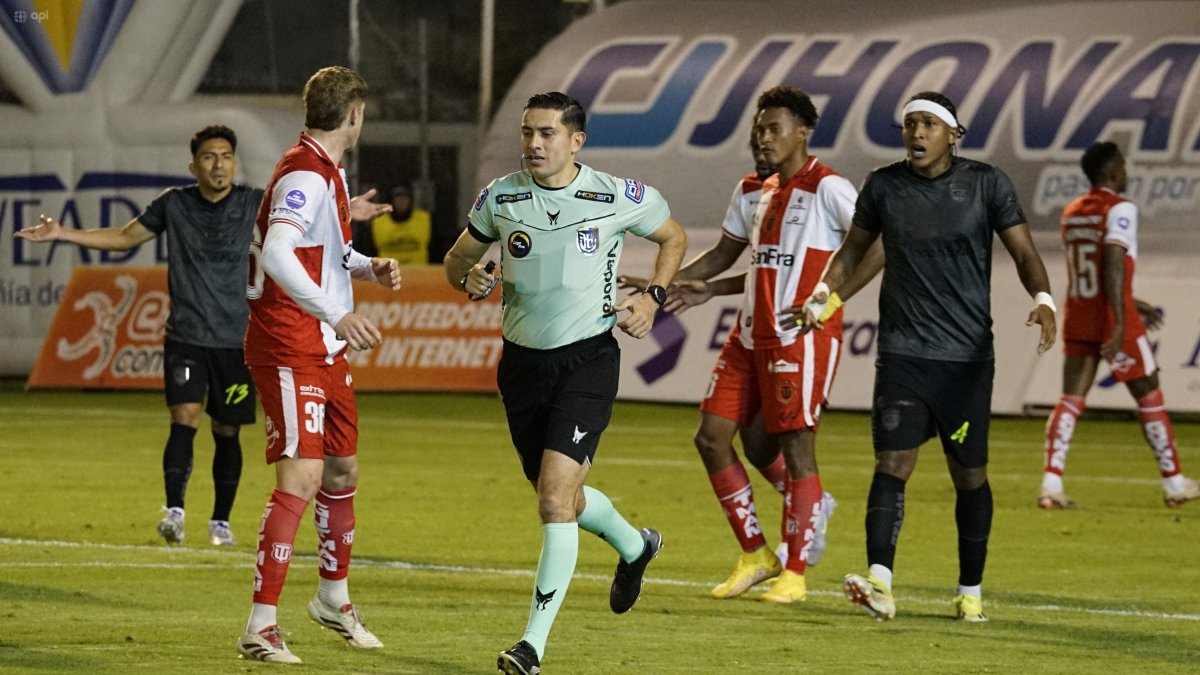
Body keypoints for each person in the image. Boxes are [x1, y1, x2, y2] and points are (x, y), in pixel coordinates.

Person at [444, 91, 687, 675]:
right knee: (565, 500)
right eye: (528, 132)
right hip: (522, 367)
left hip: (588, 360)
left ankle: (532, 645)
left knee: (554, 499)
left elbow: (673, 237)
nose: (533, 143)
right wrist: (470, 277)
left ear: (576, 141)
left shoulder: (617, 195)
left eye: (547, 133)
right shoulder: (500, 198)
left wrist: (653, 299)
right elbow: (458, 260)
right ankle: (636, 546)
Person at [791, 91, 1057, 623]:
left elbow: (1025, 252)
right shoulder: (884, 186)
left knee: (970, 477)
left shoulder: (986, 184)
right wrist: (823, 296)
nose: (915, 133)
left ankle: (970, 590)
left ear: (953, 135)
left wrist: (1044, 300)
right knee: (892, 464)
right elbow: (852, 251)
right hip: (903, 353)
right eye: (909, 123)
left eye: (928, 124)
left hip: (966, 361)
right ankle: (880, 583)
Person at [639, 87, 884, 605]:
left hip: (800, 337)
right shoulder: (752, 188)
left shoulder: (830, 188)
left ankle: (794, 571)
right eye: (759, 128)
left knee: (796, 449)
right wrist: (667, 284)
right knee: (715, 438)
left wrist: (830, 301)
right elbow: (732, 257)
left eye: (773, 128)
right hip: (749, 336)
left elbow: (877, 245)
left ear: (803, 132)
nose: (763, 137)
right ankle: (757, 554)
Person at [15, 125, 261, 548]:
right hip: (186, 336)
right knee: (183, 417)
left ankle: (220, 522)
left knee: (227, 430)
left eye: (225, 156)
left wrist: (349, 212)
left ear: (234, 163)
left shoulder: (255, 203)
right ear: (193, 165)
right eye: (208, 157)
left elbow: (306, 215)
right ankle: (175, 513)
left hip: (238, 342)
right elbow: (126, 237)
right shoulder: (175, 204)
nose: (218, 164)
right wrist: (62, 234)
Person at [236, 66, 398, 664]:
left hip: (321, 347)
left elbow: (319, 249)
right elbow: (278, 251)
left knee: (341, 469)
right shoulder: (305, 172)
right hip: (290, 344)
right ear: (354, 115)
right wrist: (337, 311)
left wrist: (365, 267)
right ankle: (260, 625)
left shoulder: (325, 168)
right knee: (300, 479)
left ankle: (333, 598)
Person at [1039, 142, 1200, 509]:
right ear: (1113, 171)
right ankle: (1175, 483)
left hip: (1079, 310)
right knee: (1149, 391)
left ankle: (1050, 485)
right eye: (1123, 167)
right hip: (1112, 318)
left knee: (1070, 399)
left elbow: (1092, 266)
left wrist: (1131, 299)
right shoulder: (1121, 208)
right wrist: (1120, 317)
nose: (1126, 173)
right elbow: (1112, 257)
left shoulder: (1073, 211)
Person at [370, 181, 432, 264]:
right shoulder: (379, 223)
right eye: (398, 197)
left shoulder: (424, 220)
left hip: (418, 274)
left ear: (411, 199)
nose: (401, 201)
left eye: (405, 197)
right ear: (391, 200)